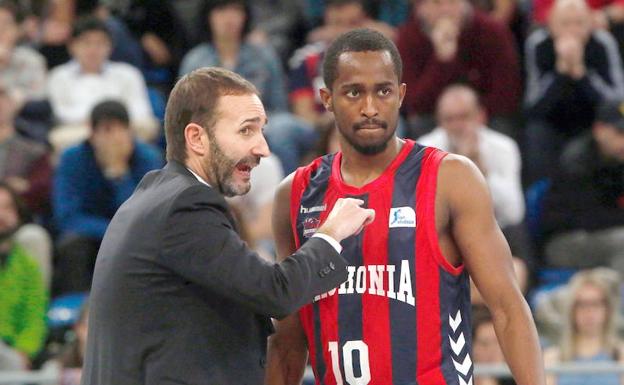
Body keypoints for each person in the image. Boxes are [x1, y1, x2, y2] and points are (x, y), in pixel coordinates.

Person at [266, 28, 544, 385]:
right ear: (327, 98)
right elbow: (289, 340)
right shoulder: (295, 194)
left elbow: (508, 307)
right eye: (353, 92)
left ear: (400, 95)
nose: (369, 107)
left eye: (382, 91)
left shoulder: (450, 178)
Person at [81, 67, 375, 385]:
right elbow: (273, 291)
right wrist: (331, 234)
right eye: (246, 131)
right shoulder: (185, 206)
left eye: (261, 130)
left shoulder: (155, 194)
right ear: (196, 138)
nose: (263, 148)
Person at [52, 99, 162, 295]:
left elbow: (144, 216)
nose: (114, 138)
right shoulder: (72, 158)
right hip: (90, 236)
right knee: (72, 244)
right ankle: (73, 311)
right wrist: (112, 232)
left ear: (130, 132)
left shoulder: (147, 158)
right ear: (92, 134)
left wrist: (118, 175)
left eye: (120, 130)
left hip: (132, 238)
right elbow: (66, 216)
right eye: (107, 130)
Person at [524, 0, 624, 183]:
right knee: (535, 133)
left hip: (594, 121)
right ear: (551, 25)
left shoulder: (603, 43)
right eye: (565, 23)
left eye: (579, 23)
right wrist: (560, 74)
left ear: (590, 23)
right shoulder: (538, 44)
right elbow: (533, 106)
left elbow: (617, 101)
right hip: (552, 121)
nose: (572, 30)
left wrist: (581, 74)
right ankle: (541, 197)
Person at [397, 0, 521, 138]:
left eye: (452, 2)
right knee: (418, 125)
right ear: (420, 8)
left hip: (484, 115)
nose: (446, 10)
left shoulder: (492, 31)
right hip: (435, 117)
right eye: (436, 3)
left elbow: (507, 93)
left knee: (502, 125)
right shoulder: (408, 37)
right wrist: (442, 60)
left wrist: (468, 113)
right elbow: (414, 102)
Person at [540, 98, 624, 276]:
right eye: (620, 132)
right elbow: (590, 218)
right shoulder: (576, 162)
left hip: (603, 234)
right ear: (599, 130)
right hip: (564, 241)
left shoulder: (617, 159)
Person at [543, 268, 624, 385]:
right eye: (581, 304)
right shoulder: (551, 358)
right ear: (571, 310)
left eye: (596, 304)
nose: (589, 311)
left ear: (608, 309)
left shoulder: (621, 355)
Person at [0, 182, 47, 370]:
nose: (1, 215)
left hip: (11, 352)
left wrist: (25, 351)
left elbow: (35, 313)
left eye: (7, 208)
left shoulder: (27, 264)